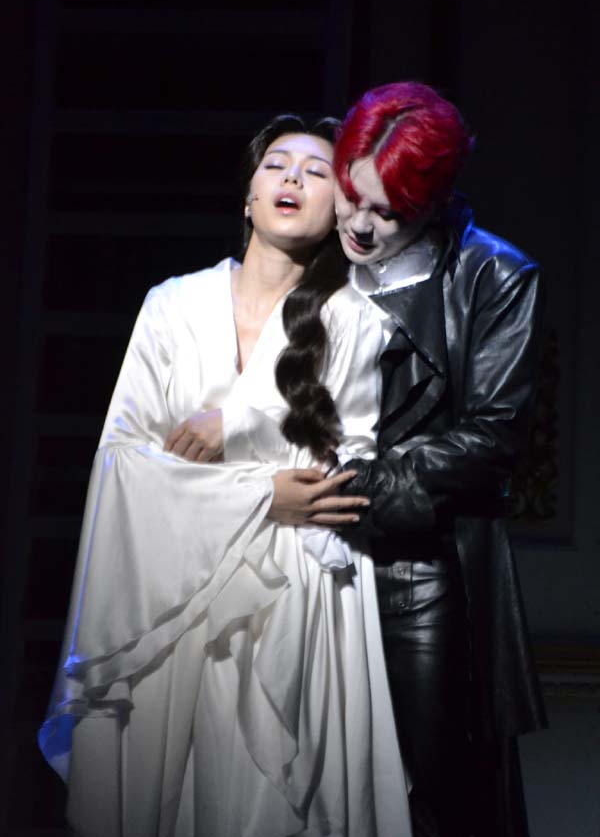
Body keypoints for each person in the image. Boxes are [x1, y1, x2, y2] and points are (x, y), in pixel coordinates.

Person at [38, 114, 413, 837]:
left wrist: (237, 431)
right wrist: (263, 491)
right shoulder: (171, 305)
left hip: (291, 597)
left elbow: (342, 469)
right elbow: (121, 460)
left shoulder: (354, 320)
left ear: (339, 209)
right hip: (171, 595)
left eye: (316, 172)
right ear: (248, 196)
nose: (294, 177)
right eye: (277, 164)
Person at [327, 82, 547, 837]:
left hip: (413, 569)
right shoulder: (318, 257)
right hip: (296, 552)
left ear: (434, 200)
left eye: (387, 211)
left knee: (430, 793)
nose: (360, 224)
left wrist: (360, 488)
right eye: (351, 195)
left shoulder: (494, 275)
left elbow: (494, 435)